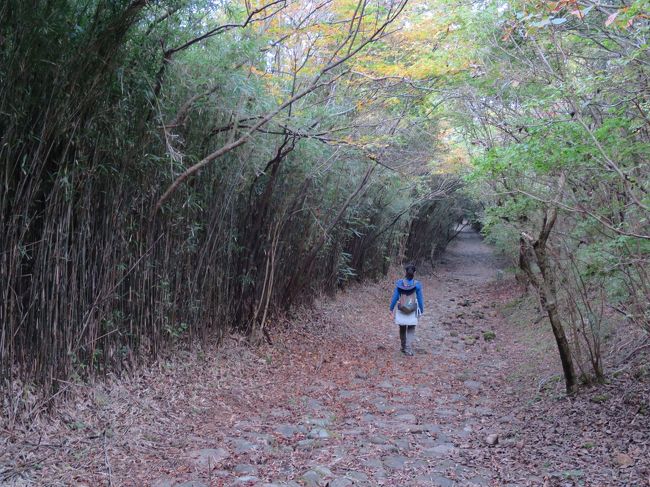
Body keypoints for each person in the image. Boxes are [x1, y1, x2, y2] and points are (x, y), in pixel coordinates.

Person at [389, 264, 424, 356]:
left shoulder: (400, 283)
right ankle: (408, 349)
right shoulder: (417, 284)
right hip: (412, 309)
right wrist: (421, 309)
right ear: (414, 273)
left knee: (402, 327)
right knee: (411, 328)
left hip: (401, 308)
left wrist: (391, 308)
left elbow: (395, 297)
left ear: (405, 272)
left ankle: (403, 347)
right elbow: (420, 299)